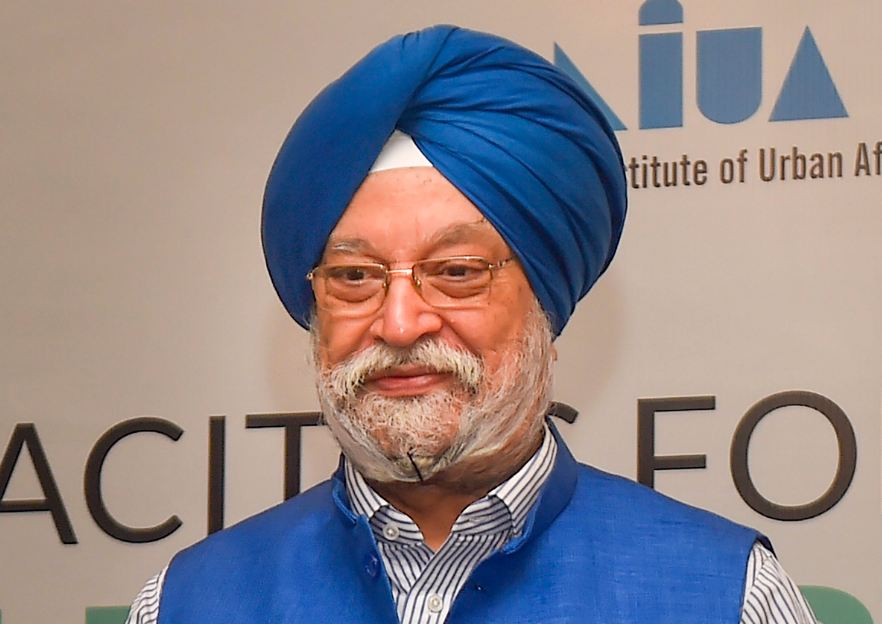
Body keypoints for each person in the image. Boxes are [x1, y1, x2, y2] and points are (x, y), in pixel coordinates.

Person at [126, 25, 817, 624]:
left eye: (456, 271)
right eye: (355, 277)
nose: (400, 323)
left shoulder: (724, 596)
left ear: (544, 300)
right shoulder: (189, 603)